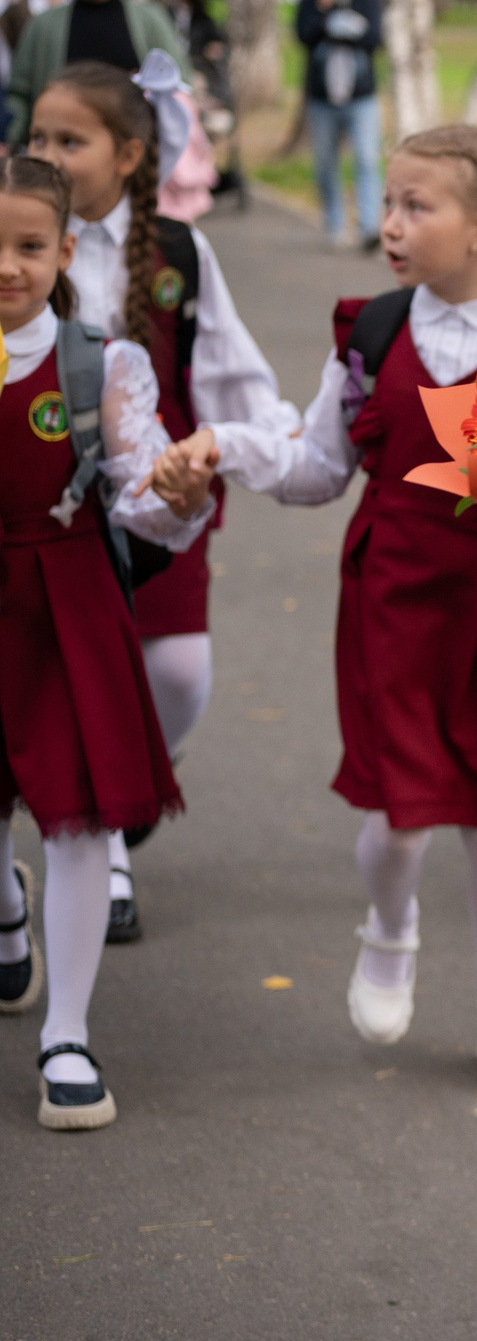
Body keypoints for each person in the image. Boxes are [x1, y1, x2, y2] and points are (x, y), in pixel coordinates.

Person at [206, 126, 477, 1098]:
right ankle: (389, 926)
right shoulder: (374, 331)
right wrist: (228, 446)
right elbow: (317, 468)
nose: (391, 223)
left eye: (417, 206)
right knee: (403, 813)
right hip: (396, 594)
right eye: (389, 203)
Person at [23, 61, 303, 945]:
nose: (49, 155)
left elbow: (229, 369)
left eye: (71, 140)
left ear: (132, 155)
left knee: (178, 671)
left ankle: (141, 760)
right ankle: (103, 845)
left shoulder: (178, 251)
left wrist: (267, 444)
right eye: (37, 137)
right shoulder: (16, 234)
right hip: (42, 502)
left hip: (159, 491)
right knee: (70, 674)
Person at [0, 153, 214, 1129]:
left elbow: (138, 487)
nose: (8, 265)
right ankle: (9, 905)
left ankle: (68, 1034)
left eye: (29, 246)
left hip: (64, 598)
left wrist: (174, 492)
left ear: (65, 250)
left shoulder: (102, 361)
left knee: (80, 819)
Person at [6, 0, 189, 143]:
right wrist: (10, 139)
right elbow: (19, 95)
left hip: (136, 152)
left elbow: (180, 85)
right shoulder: (43, 26)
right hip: (61, 156)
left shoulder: (151, 19)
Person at [293, 0, 386, 250]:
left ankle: (369, 226)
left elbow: (376, 40)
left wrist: (353, 28)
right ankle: (335, 223)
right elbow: (303, 35)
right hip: (322, 98)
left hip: (361, 96)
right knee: (325, 162)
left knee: (367, 159)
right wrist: (323, 3)